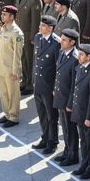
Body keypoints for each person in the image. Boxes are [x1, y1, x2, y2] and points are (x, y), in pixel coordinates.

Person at [67, 43, 90, 179]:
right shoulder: (80, 67)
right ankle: (84, 164)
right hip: (79, 110)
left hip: (86, 113)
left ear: (89, 56)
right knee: (84, 141)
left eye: (81, 54)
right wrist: (71, 105)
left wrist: (89, 118)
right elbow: (75, 89)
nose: (78, 56)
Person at [32, 15, 61, 154]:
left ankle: (52, 141)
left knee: (51, 116)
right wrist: (33, 79)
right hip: (38, 83)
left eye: (43, 25)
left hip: (49, 86)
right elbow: (35, 61)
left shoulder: (57, 43)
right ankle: (45, 137)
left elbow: (58, 68)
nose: (40, 27)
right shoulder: (38, 37)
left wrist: (56, 88)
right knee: (42, 114)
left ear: (50, 28)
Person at [53, 29, 81, 166]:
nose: (61, 41)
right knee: (64, 126)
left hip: (68, 99)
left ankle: (73, 155)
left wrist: (70, 103)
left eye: (64, 40)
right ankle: (67, 150)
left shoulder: (75, 59)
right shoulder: (61, 52)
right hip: (60, 95)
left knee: (70, 128)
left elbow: (74, 84)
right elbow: (58, 74)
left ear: (72, 42)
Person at [0, 5, 24, 127]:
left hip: (10, 69)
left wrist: (15, 72)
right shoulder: (4, 28)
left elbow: (17, 55)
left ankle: (14, 117)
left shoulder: (16, 33)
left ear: (12, 17)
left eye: (5, 14)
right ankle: (7, 114)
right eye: (2, 14)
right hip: (2, 67)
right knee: (4, 93)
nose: (2, 16)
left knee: (13, 94)